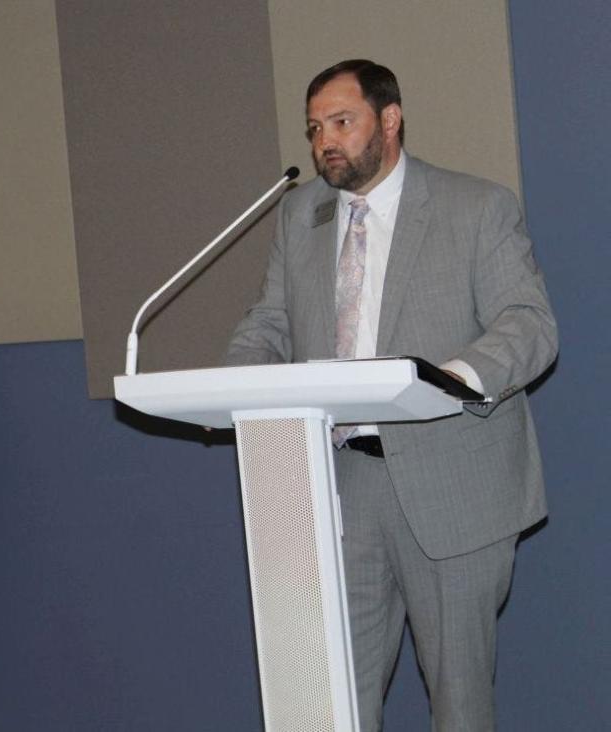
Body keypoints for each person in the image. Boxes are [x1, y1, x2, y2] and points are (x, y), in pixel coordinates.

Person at [226, 60, 557, 731]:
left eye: (342, 122)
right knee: (333, 706)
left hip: (454, 483)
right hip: (342, 491)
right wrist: (237, 382)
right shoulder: (301, 219)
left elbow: (530, 323)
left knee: (461, 708)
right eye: (316, 128)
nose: (326, 142)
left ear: (391, 120)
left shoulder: (475, 206)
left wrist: (453, 378)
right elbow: (270, 323)